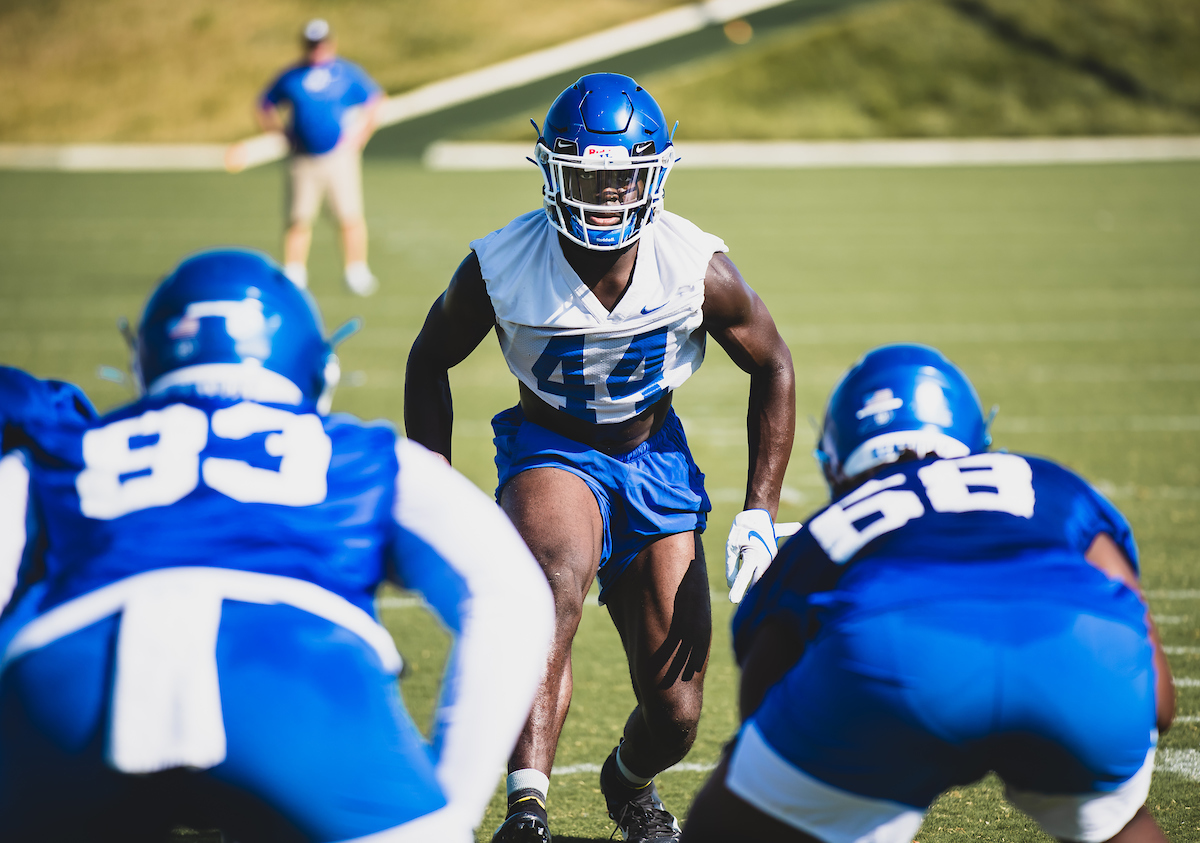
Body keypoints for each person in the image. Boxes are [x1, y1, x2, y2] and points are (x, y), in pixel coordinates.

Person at [0, 249, 555, 843]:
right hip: (291, 680)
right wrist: (450, 810)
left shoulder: (64, 449)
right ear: (317, 369)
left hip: (66, 683)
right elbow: (509, 594)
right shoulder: (360, 453)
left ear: (147, 360)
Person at [404, 73, 796, 843]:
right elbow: (429, 358)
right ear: (553, 171)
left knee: (678, 712)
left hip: (654, 456)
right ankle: (527, 810)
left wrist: (761, 509)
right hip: (553, 447)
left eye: (620, 175)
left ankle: (628, 784)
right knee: (551, 582)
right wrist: (437, 488)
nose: (604, 194)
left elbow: (773, 363)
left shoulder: (694, 264)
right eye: (585, 174)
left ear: (651, 174)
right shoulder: (501, 264)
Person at [682, 343, 1176, 843]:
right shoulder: (1047, 481)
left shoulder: (828, 529)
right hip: (1079, 650)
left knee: (725, 825)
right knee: (1123, 827)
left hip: (895, 654)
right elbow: (1159, 700)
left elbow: (762, 702)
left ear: (837, 460)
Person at [259, 18, 383, 296]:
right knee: (298, 217)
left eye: (321, 43)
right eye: (312, 44)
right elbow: (264, 105)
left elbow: (375, 100)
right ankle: (295, 271)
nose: (317, 49)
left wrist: (360, 136)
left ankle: (356, 270)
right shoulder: (291, 76)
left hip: (339, 155)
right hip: (303, 157)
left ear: (331, 43)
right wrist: (281, 134)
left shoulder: (346, 73)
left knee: (349, 215)